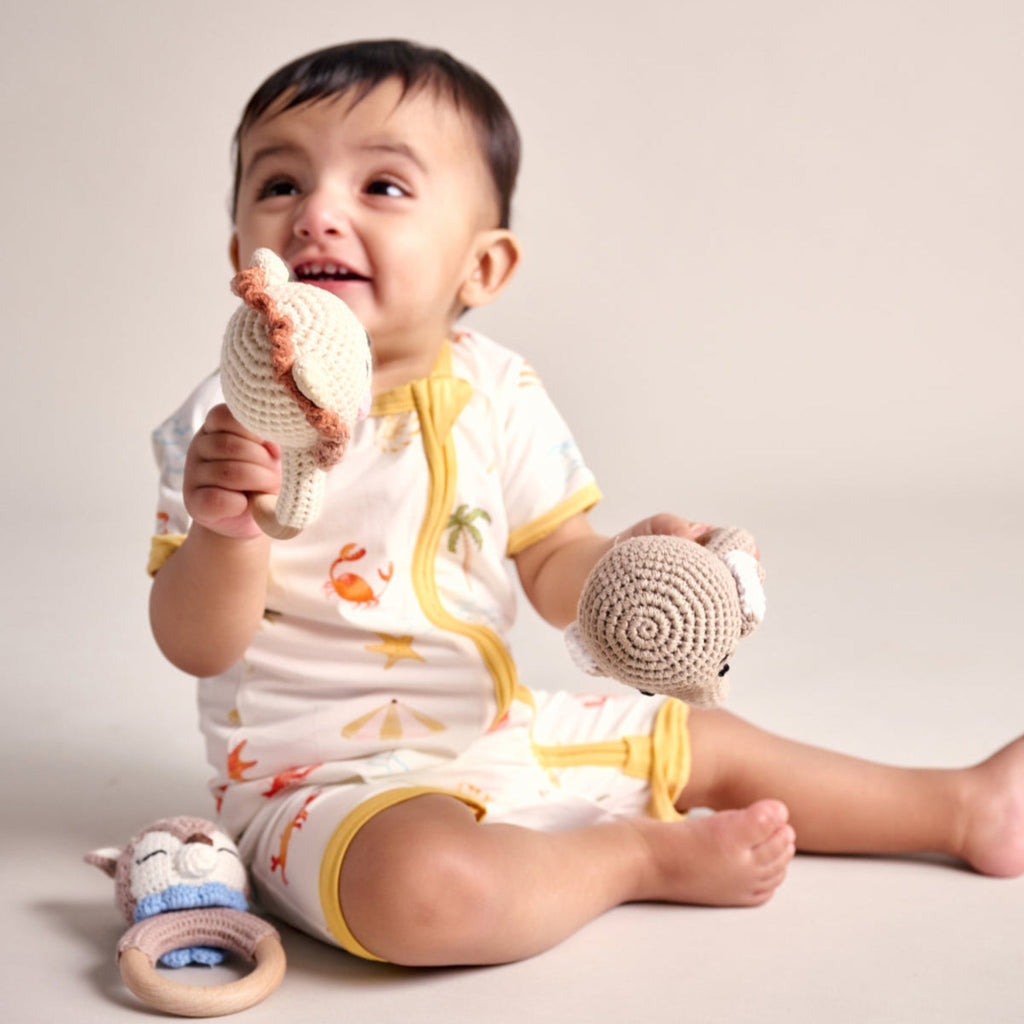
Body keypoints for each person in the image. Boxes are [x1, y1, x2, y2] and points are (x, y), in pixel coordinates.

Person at [149, 39, 1024, 968]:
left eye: (384, 188)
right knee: (428, 893)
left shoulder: (499, 389)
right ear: (243, 253)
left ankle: (962, 806)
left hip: (499, 730)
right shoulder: (223, 425)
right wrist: (225, 530)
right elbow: (195, 644)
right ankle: (631, 857)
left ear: (481, 269)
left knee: (705, 737)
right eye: (280, 185)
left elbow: (553, 564)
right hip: (317, 787)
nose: (317, 214)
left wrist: (623, 566)